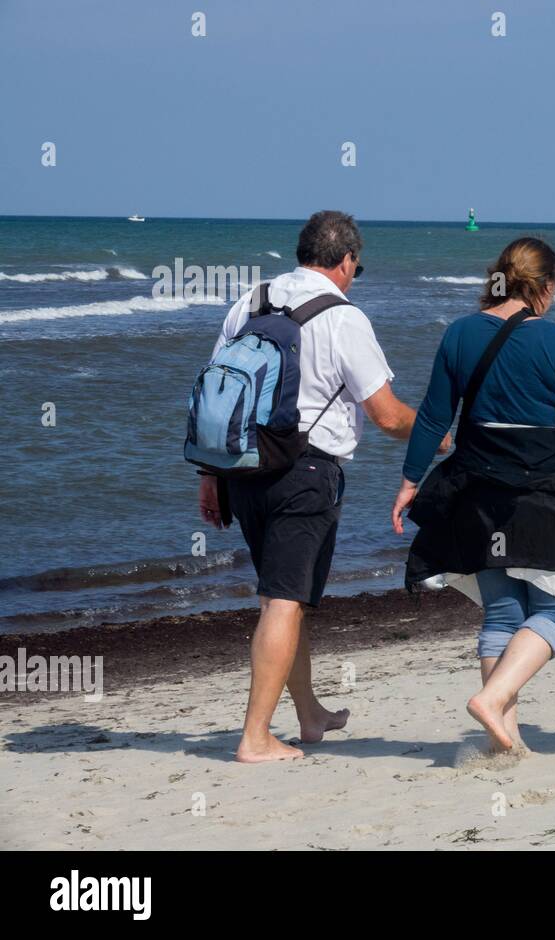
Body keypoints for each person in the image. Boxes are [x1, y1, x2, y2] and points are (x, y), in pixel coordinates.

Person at [394, 237, 555, 753]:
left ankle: (504, 740)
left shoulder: (460, 334)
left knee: (503, 614)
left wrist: (410, 481)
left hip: (478, 496)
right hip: (545, 496)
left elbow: (434, 416)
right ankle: (492, 701)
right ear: (546, 286)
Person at [199, 210, 418, 763]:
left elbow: (214, 397)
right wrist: (438, 436)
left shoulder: (250, 302)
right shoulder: (344, 317)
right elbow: (388, 415)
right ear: (346, 260)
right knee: (284, 600)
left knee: (283, 598)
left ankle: (310, 714)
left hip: (243, 469)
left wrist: (209, 477)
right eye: (356, 269)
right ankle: (254, 738)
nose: (353, 277)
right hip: (307, 474)